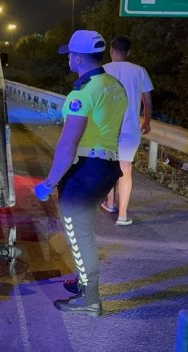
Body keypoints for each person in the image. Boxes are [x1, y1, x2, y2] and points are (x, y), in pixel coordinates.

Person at [33, 30, 127, 317]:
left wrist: (49, 183)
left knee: (78, 234)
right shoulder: (114, 86)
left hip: (87, 169)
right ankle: (84, 282)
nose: (68, 59)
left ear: (77, 57)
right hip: (108, 166)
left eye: (69, 55)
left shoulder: (82, 93)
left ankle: (90, 299)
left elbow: (68, 143)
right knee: (83, 231)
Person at [100, 35, 154, 226]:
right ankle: (122, 215)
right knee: (125, 169)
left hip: (106, 129)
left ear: (111, 51)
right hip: (130, 129)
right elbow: (147, 101)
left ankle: (109, 202)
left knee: (108, 165)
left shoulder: (103, 71)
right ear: (128, 52)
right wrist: (146, 121)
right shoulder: (140, 71)